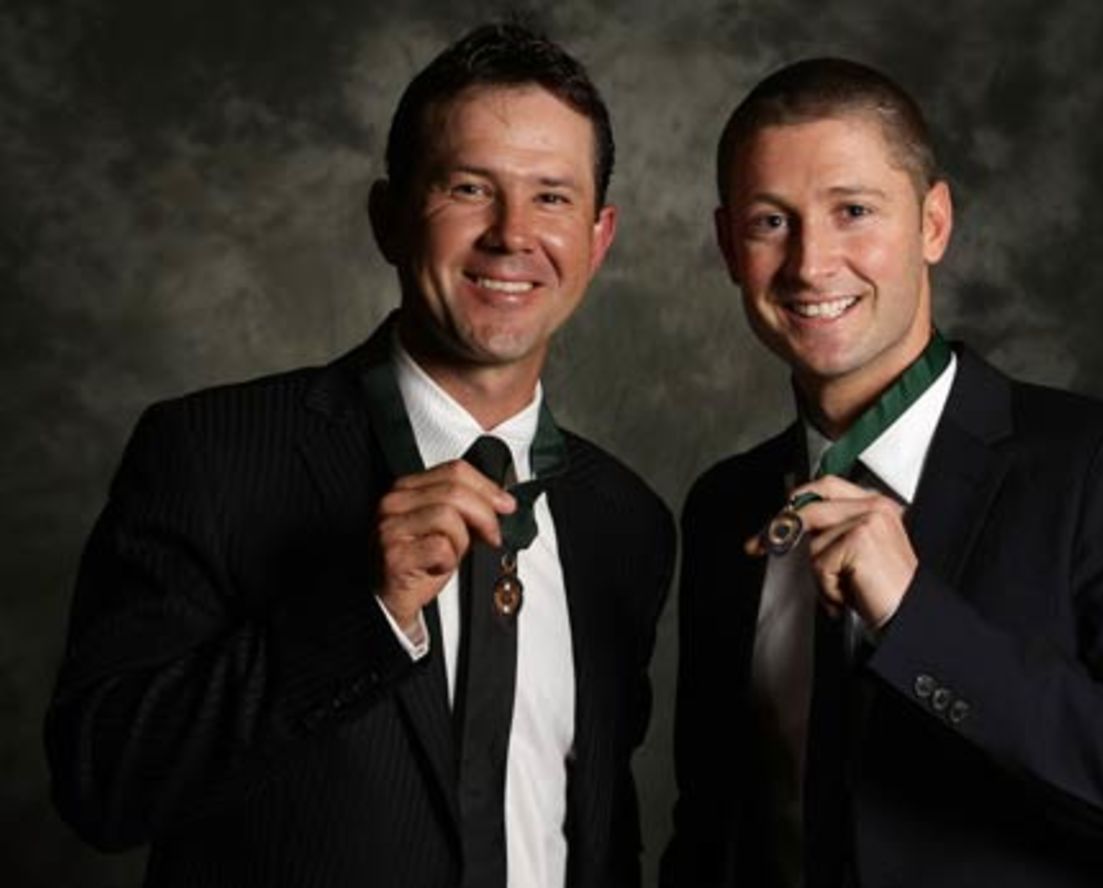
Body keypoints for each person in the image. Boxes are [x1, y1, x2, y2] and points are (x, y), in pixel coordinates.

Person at [45, 23, 674, 888]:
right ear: (388, 219)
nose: (512, 234)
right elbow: (103, 784)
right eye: (468, 188)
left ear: (599, 239)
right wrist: (362, 614)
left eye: (552, 198)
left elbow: (596, 824)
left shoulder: (627, 521)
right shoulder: (209, 454)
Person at [660, 58, 1103, 888]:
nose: (811, 263)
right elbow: (714, 827)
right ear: (728, 247)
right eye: (770, 222)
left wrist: (916, 618)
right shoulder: (727, 507)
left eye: (854, 211)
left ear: (934, 223)